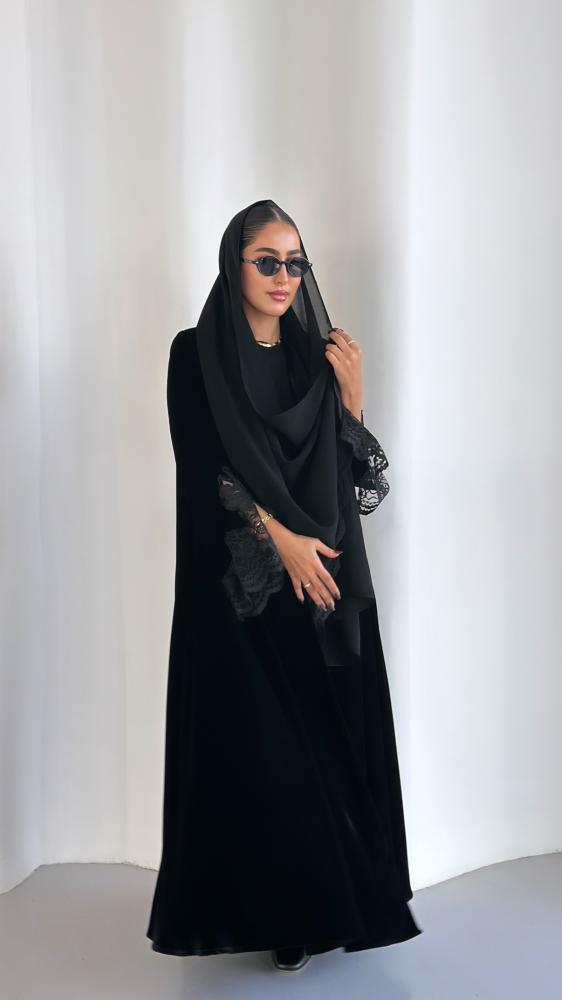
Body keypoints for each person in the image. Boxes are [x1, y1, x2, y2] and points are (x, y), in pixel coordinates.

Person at [146, 198, 422, 972]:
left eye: (296, 263)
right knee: (259, 754)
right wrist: (283, 540)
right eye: (267, 260)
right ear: (233, 263)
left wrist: (354, 396)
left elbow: (350, 474)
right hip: (240, 587)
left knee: (321, 749)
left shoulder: (312, 358)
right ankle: (269, 910)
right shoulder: (195, 355)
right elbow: (205, 467)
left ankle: (314, 909)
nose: (284, 276)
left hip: (319, 584)